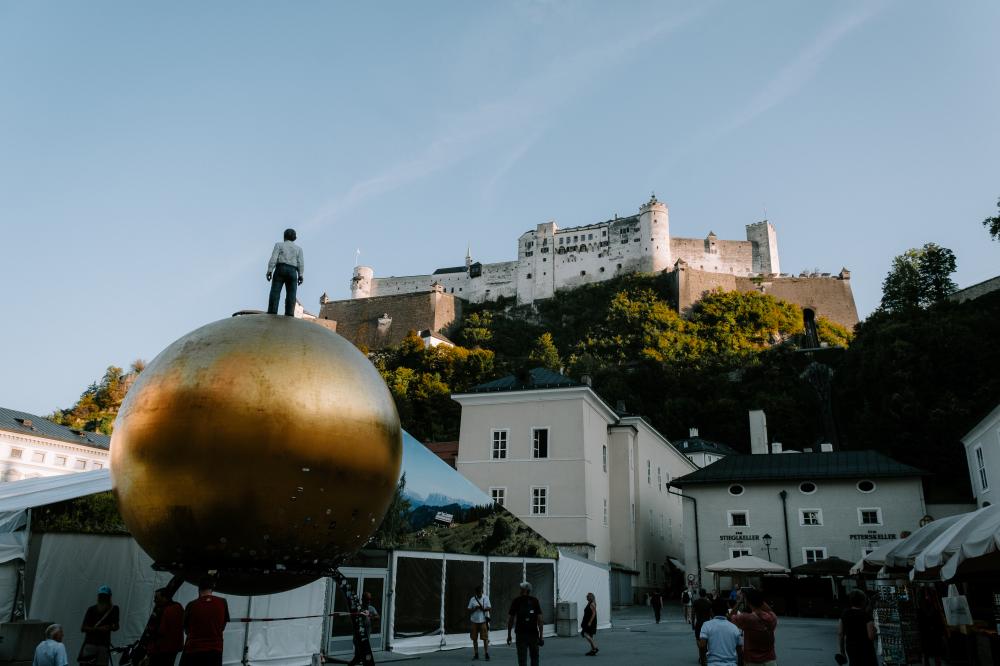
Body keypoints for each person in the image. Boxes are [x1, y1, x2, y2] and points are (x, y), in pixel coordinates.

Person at [181, 576, 230, 666]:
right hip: (215, 649)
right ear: (213, 587)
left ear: (198, 587)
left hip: (194, 649)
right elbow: (223, 625)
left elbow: (186, 629)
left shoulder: (191, 605)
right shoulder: (223, 602)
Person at [730, 588, 777, 666]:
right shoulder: (772, 617)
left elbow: (730, 616)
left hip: (752, 660)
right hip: (770, 660)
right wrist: (757, 597)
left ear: (748, 602)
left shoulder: (746, 618)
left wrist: (739, 601)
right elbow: (769, 610)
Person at [266, 228, 305, 316]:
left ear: (284, 236)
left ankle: (272, 311)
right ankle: (289, 313)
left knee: (275, 291)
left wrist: (270, 270)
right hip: (292, 271)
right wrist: (301, 275)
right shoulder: (299, 249)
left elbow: (273, 258)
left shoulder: (279, 245)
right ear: (295, 238)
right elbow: (300, 263)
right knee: (291, 294)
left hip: (280, 268)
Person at [79, 585, 120, 666]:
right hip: (99, 645)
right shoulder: (113, 609)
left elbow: (83, 628)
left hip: (95, 645)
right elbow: (116, 627)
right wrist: (103, 629)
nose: (103, 598)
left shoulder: (113, 609)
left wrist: (109, 627)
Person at [145, 587, 185, 666]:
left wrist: (150, 649)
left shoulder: (163, 610)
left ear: (164, 598)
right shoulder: (179, 607)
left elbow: (160, 631)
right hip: (174, 648)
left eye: (156, 598)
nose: (154, 600)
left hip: (161, 649)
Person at [507, 581, 543, 666]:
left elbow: (510, 619)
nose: (519, 590)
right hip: (533, 633)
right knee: (534, 657)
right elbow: (540, 620)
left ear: (523, 590)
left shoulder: (516, 601)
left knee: (522, 659)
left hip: (521, 634)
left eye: (520, 589)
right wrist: (541, 636)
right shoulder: (535, 601)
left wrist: (509, 635)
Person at [698, 598, 743, 666]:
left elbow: (702, 646)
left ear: (712, 611)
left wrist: (703, 663)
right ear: (726, 611)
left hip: (712, 663)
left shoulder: (706, 625)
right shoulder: (734, 627)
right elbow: (740, 652)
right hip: (731, 664)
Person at [838, 589, 877, 666]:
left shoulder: (845, 613)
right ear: (863, 601)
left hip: (851, 647)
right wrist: (875, 630)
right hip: (866, 648)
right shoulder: (866, 615)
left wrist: (842, 652)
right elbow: (871, 636)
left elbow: (840, 633)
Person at [916, 588, 945, 666]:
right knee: (935, 652)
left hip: (928, 633)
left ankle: (931, 662)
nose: (927, 597)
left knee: (930, 652)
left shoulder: (922, 609)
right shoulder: (932, 607)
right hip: (931, 633)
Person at [467, 584, 491, 661]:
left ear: (482, 592)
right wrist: (475, 608)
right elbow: (469, 610)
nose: (479, 594)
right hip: (474, 621)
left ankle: (486, 653)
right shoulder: (472, 599)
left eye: (480, 592)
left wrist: (483, 608)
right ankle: (476, 654)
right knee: (474, 638)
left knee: (485, 638)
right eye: (478, 593)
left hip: (483, 620)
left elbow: (489, 608)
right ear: (476, 593)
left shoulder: (486, 598)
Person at [692, 588, 713, 665]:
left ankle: (702, 654)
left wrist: (692, 624)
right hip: (707, 624)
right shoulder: (709, 602)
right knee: (707, 639)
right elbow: (711, 614)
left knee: (698, 639)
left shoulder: (696, 602)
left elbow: (693, 613)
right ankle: (704, 652)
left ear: (699, 594)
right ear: (705, 594)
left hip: (699, 623)